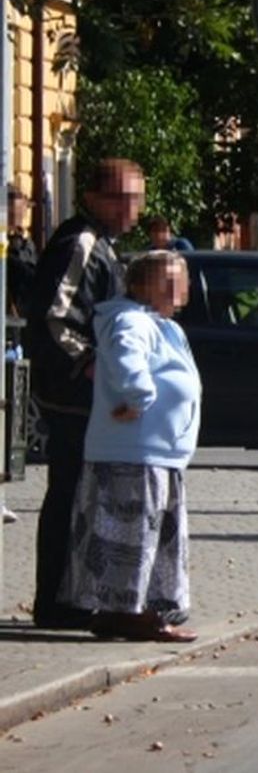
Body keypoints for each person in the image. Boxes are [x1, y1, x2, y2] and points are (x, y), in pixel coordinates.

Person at [22, 158, 142, 629]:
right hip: (71, 396)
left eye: (137, 198)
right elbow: (54, 316)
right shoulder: (81, 243)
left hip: (84, 396)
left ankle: (71, 597)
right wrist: (88, 365)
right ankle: (56, 602)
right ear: (93, 198)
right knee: (69, 495)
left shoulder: (103, 245)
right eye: (123, 198)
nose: (133, 209)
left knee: (80, 497)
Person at [58, 251, 200, 642]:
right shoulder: (129, 320)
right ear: (139, 285)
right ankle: (128, 613)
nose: (176, 289)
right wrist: (139, 397)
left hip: (155, 453)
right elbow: (126, 359)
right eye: (165, 281)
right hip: (133, 454)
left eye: (179, 281)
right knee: (130, 538)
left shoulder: (162, 324)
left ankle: (134, 611)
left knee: (151, 537)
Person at [7, 185, 37, 317]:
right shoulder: (8, 244)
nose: (21, 217)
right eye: (15, 214)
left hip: (23, 309)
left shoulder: (24, 240)